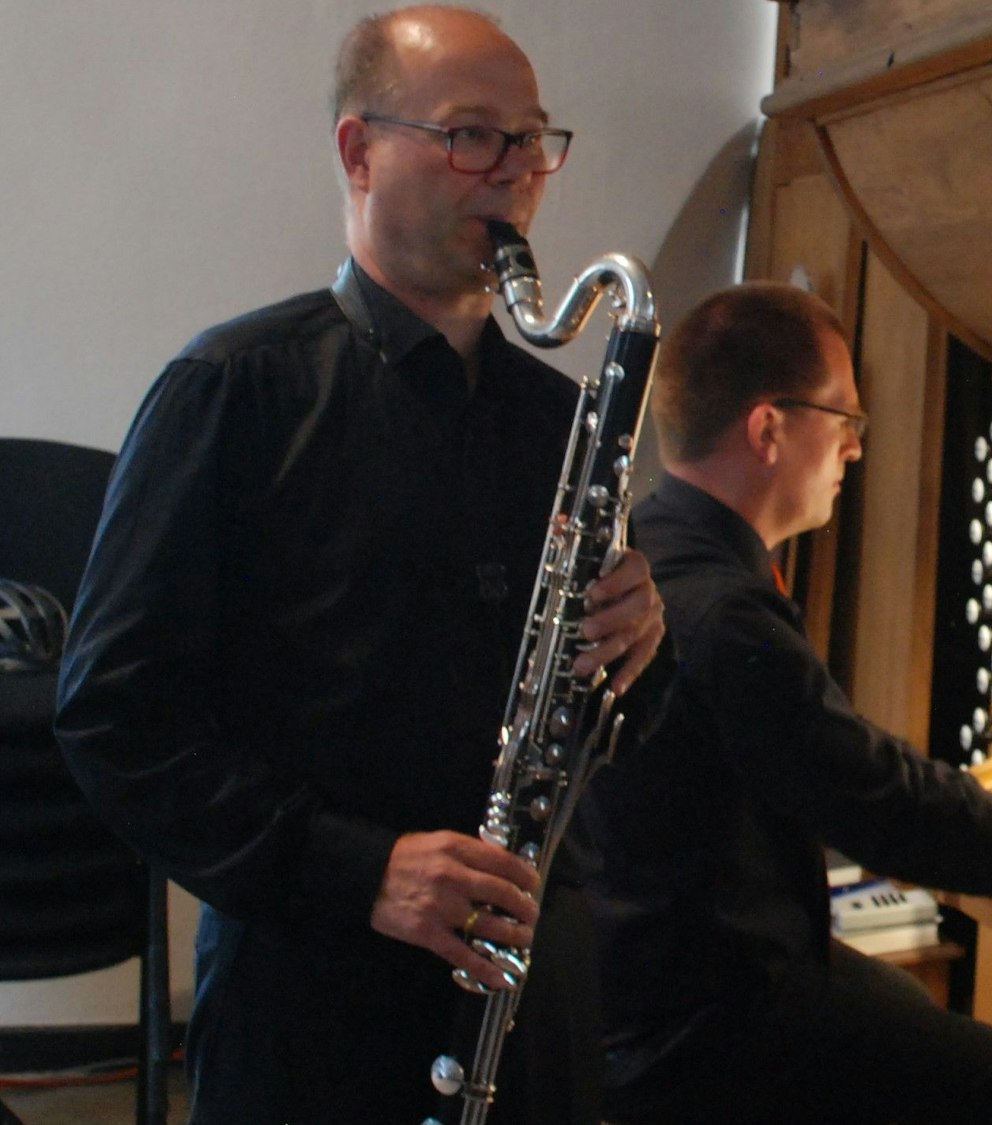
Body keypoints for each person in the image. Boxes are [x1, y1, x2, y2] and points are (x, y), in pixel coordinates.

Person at [53, 8, 664, 1123]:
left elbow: (589, 746)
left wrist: (635, 646)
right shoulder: (235, 390)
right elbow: (113, 715)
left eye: (531, 142)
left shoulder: (562, 426)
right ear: (358, 150)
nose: (515, 175)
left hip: (532, 997)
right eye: (473, 135)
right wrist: (359, 869)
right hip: (314, 1002)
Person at [583, 282, 992, 1125]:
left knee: (911, 1019)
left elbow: (864, 787)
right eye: (846, 422)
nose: (854, 450)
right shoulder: (724, 615)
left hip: (650, 977)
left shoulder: (649, 546)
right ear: (769, 430)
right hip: (699, 1018)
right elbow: (891, 806)